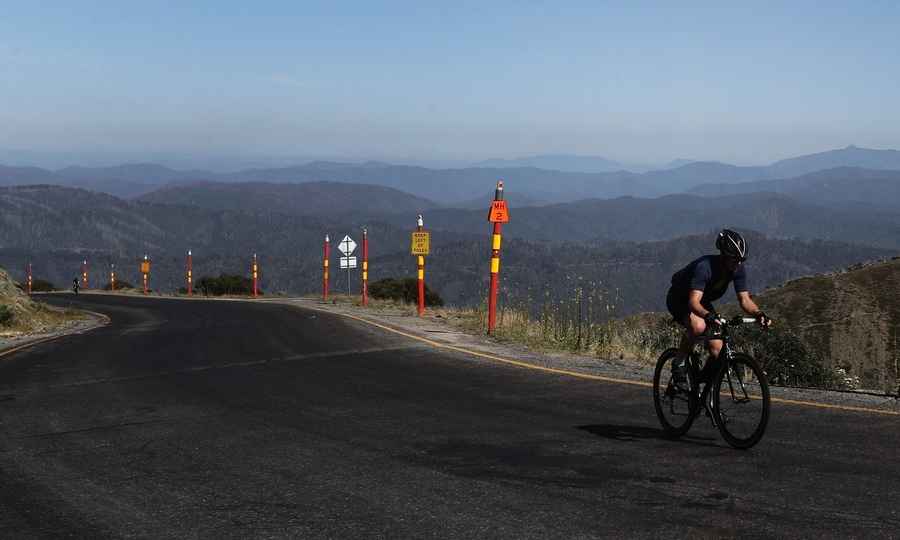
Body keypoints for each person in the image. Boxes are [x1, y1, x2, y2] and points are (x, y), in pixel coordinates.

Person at [666, 229, 771, 386]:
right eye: (735, 259)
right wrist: (708, 316)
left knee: (718, 349)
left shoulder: (737, 268)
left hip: (702, 301)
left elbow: (744, 299)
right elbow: (693, 302)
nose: (739, 263)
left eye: (741, 260)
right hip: (680, 298)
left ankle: (703, 389)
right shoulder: (705, 268)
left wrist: (758, 313)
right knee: (698, 326)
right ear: (723, 256)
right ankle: (679, 362)